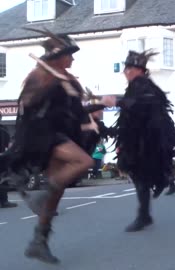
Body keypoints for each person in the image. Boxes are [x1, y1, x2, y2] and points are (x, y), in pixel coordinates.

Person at [1, 29, 98, 264]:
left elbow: (74, 112)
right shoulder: (39, 75)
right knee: (84, 161)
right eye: (69, 55)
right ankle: (39, 193)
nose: (73, 59)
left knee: (55, 195)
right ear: (58, 56)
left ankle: (39, 241)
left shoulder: (69, 80)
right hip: (42, 136)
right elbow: (27, 105)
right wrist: (52, 84)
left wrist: (95, 109)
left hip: (61, 134)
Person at [114, 50, 175, 232]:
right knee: (140, 177)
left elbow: (141, 105)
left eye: (128, 68)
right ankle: (145, 214)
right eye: (125, 69)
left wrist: (116, 102)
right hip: (141, 140)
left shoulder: (142, 85)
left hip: (147, 141)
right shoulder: (138, 86)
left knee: (141, 178)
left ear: (138, 70)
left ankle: (144, 216)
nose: (125, 72)